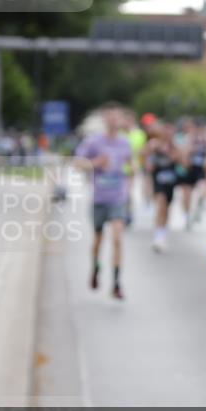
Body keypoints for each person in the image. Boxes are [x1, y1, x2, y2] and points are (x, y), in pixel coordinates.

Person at [75, 102, 133, 300]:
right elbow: (78, 163)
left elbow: (131, 166)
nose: (114, 121)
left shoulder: (125, 143)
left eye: (118, 117)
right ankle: (95, 268)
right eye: (111, 117)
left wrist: (131, 180)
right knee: (98, 240)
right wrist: (96, 163)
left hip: (118, 198)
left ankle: (116, 283)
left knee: (117, 239)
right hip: (99, 198)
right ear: (105, 120)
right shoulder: (93, 142)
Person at [143, 121, 186, 252]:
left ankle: (162, 234)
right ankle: (158, 237)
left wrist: (174, 154)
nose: (168, 134)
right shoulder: (154, 144)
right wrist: (151, 154)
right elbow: (144, 157)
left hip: (171, 182)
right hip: (158, 180)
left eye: (170, 132)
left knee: (167, 209)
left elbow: (184, 163)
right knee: (160, 206)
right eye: (166, 131)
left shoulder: (175, 147)